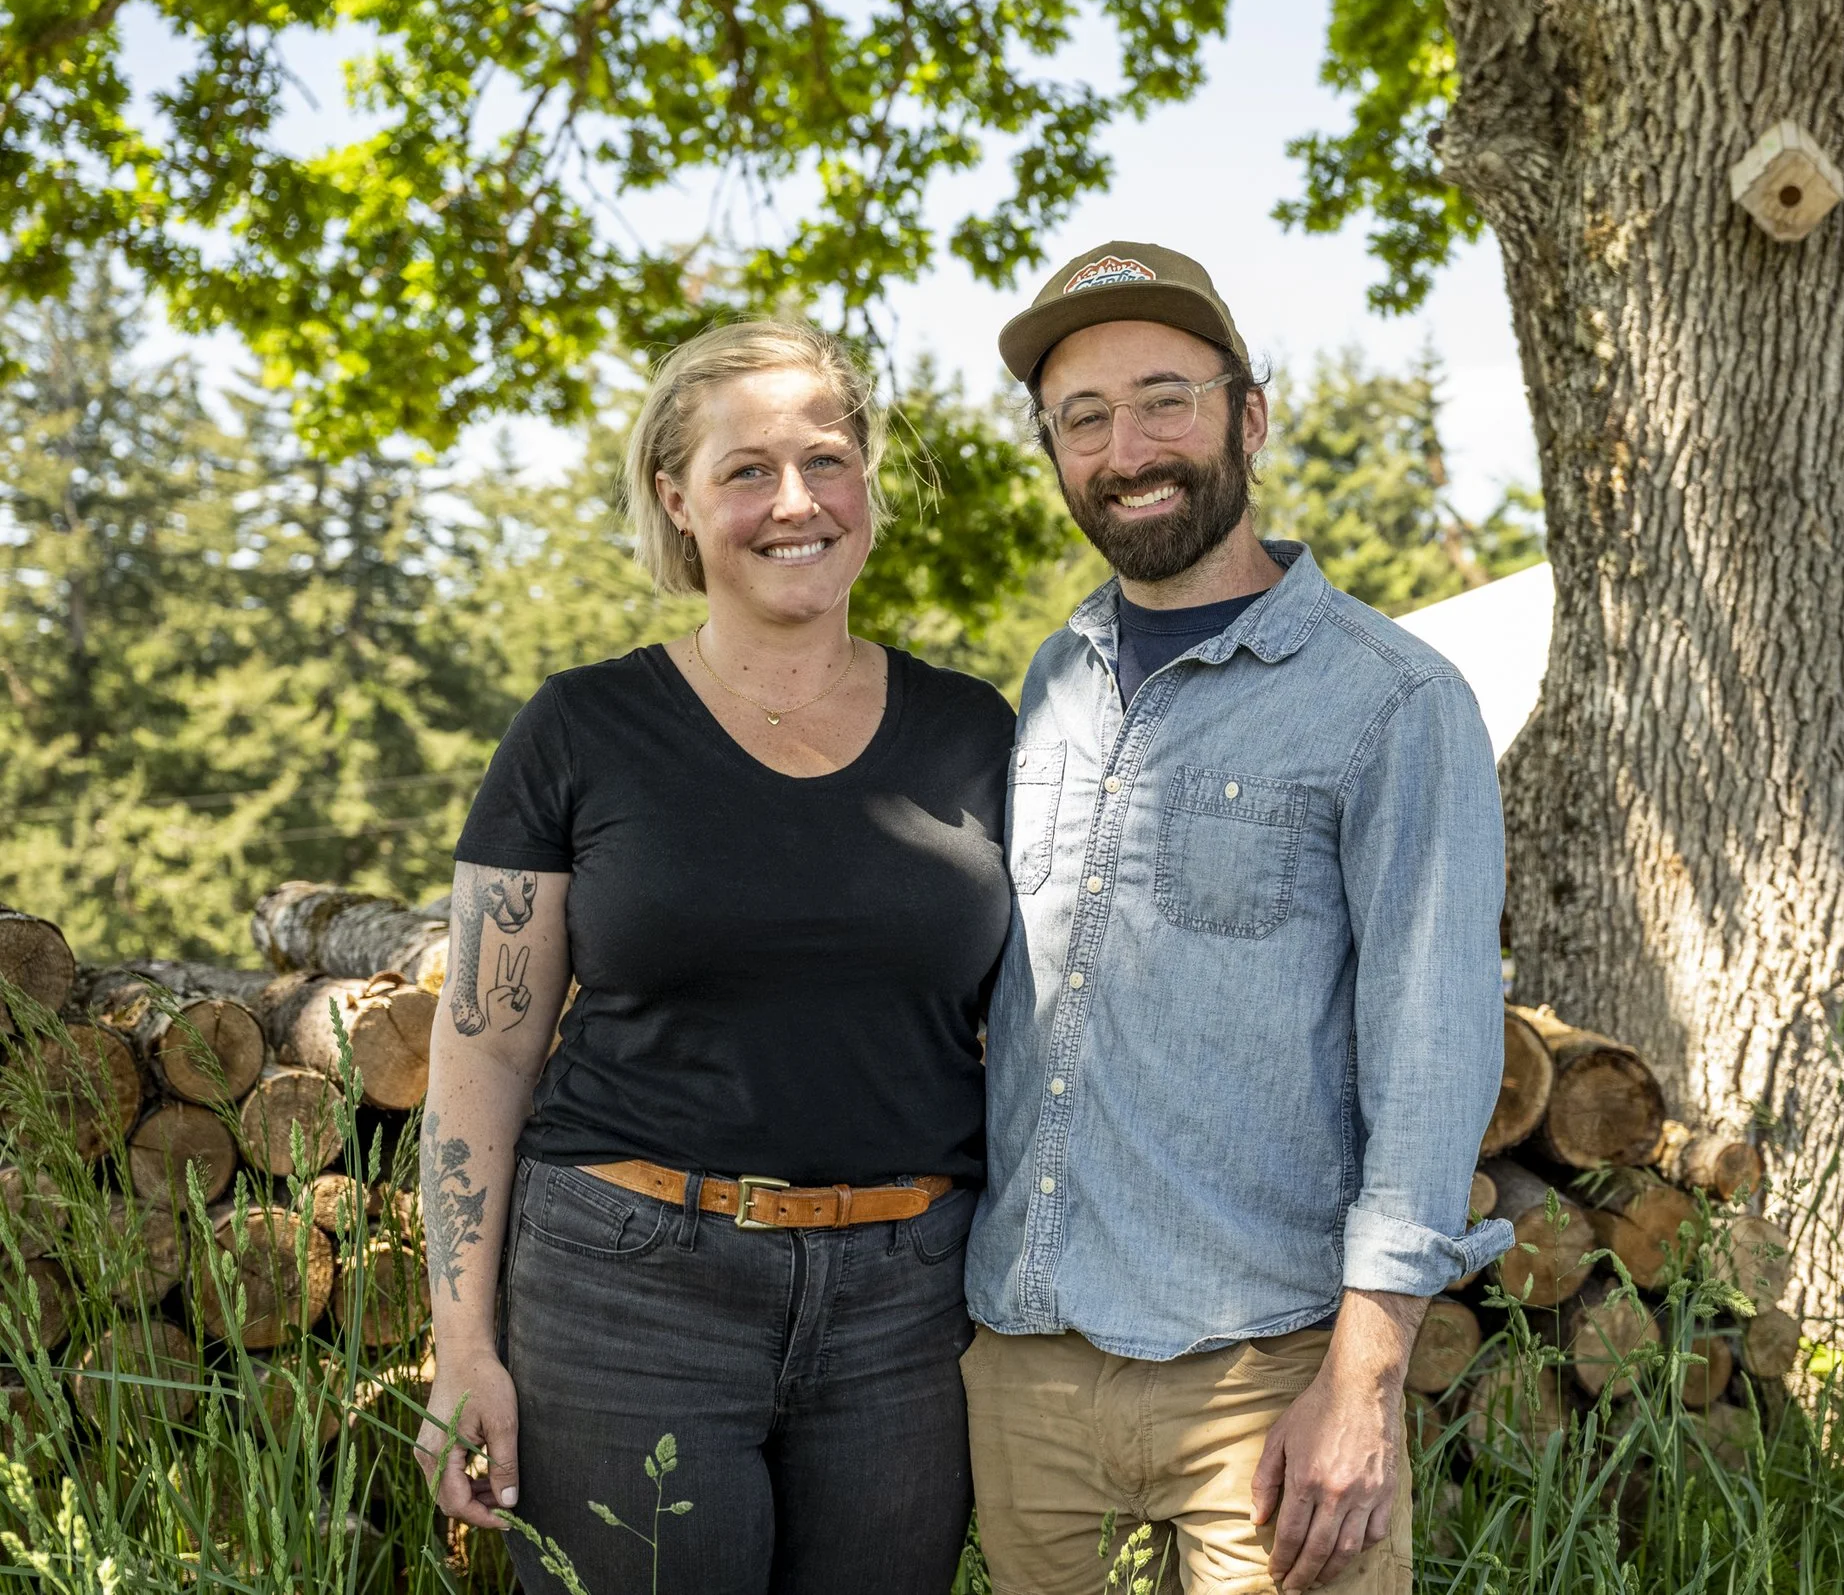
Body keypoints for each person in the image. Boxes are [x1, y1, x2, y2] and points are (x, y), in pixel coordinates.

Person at [413, 320, 1014, 1595]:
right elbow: (484, 1043)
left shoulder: (977, 729)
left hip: (909, 1305)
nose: (795, 501)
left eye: (827, 459)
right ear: (675, 500)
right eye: (746, 470)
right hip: (627, 1290)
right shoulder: (580, 726)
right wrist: (463, 1343)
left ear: (866, 486)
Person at [963, 241, 1513, 1595]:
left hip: (1267, 1380)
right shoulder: (1052, 685)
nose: (1125, 446)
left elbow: (1434, 1061)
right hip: (1027, 1361)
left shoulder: (1393, 699)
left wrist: (1361, 1381)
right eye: (1082, 418)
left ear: (1248, 415)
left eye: (1165, 399)